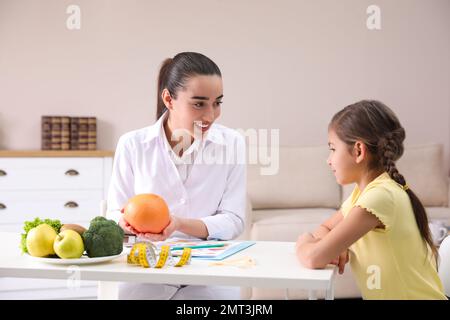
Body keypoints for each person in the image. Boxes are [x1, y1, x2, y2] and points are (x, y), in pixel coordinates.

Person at [107, 52, 246, 299]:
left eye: (217, 103)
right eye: (199, 103)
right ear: (169, 99)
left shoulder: (232, 143)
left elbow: (234, 220)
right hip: (146, 270)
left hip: (209, 272)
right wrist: (124, 223)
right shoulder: (132, 144)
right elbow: (113, 214)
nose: (211, 115)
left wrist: (179, 224)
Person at [296, 100, 447, 300]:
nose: (328, 159)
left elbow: (313, 258)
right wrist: (331, 244)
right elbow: (325, 227)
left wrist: (304, 241)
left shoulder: (380, 197)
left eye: (332, 149)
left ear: (358, 151)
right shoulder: (366, 193)